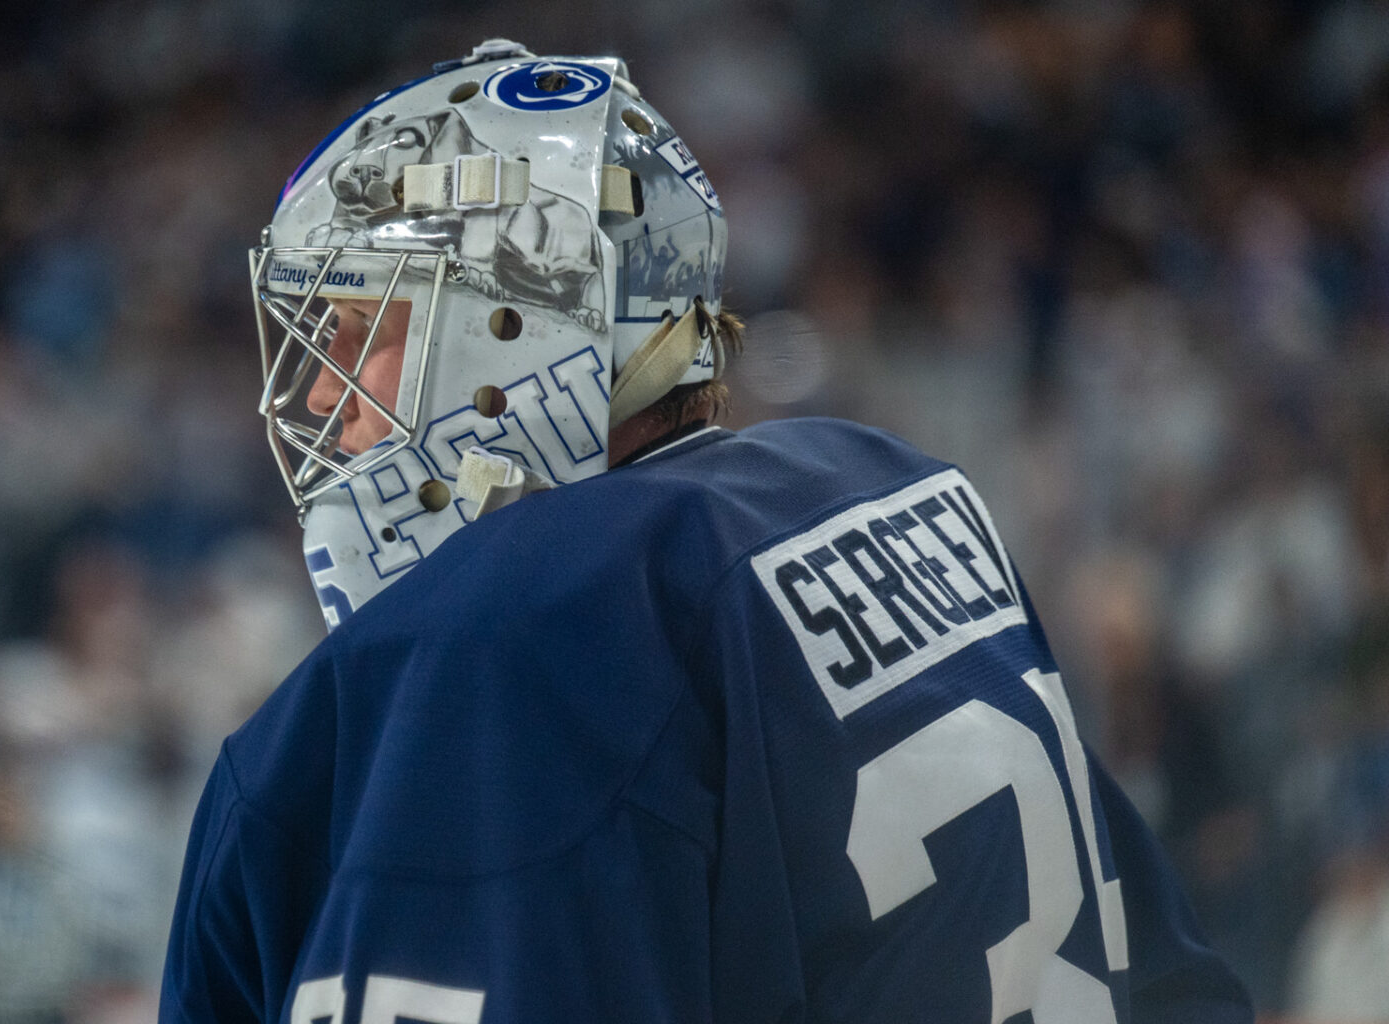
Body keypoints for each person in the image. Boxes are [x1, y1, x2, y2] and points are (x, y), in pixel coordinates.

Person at [163, 40, 1253, 1024]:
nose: (321, 401)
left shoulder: (508, 634)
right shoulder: (896, 482)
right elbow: (1175, 985)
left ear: (513, 325)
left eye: (364, 331)